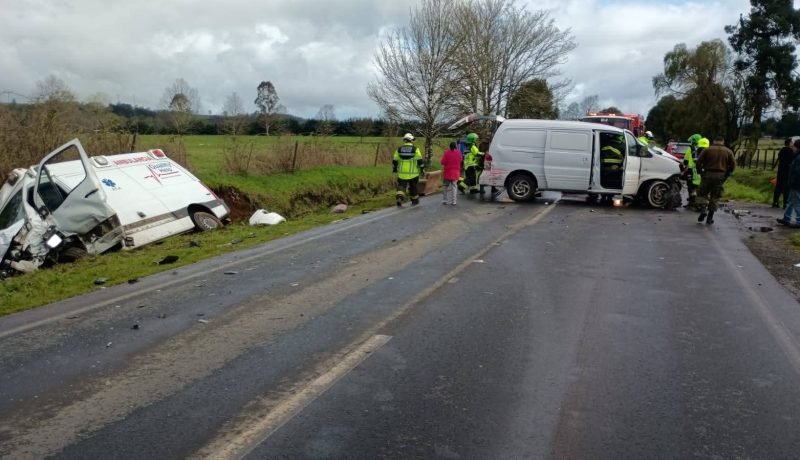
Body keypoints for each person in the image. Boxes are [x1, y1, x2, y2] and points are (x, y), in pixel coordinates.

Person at [695, 136, 735, 224]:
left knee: (702, 193)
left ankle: (703, 210)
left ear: (714, 141)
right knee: (715, 196)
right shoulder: (728, 151)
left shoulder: (707, 150)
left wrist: (700, 173)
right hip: (720, 176)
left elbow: (698, 162)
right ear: (723, 142)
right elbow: (733, 165)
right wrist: (727, 174)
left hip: (707, 174)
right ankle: (710, 218)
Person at [393, 133, 424, 207]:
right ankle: (415, 200)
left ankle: (400, 197)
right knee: (413, 188)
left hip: (402, 173)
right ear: (411, 140)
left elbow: (395, 160)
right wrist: (422, 169)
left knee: (401, 187)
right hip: (413, 173)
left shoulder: (399, 149)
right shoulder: (415, 149)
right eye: (413, 140)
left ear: (405, 140)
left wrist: (395, 169)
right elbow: (420, 161)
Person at [777, 147, 800, 227]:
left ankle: (799, 220)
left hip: (796, 184)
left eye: (794, 147)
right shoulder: (796, 156)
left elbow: (797, 172)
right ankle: (786, 218)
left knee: (796, 202)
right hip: (794, 184)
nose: (793, 148)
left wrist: (792, 182)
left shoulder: (798, 158)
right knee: (790, 201)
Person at [773, 138, 796, 208]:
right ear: (789, 143)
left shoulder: (782, 150)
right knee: (786, 188)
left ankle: (775, 202)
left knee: (778, 187)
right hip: (787, 172)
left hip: (780, 171)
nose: (793, 144)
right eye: (792, 142)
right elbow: (791, 162)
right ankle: (785, 203)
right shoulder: (790, 151)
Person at [684, 134, 702, 207]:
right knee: (699, 186)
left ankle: (691, 202)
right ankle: (699, 202)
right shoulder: (703, 148)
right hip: (701, 170)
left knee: (690, 186)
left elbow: (685, 161)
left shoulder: (690, 148)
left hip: (691, 170)